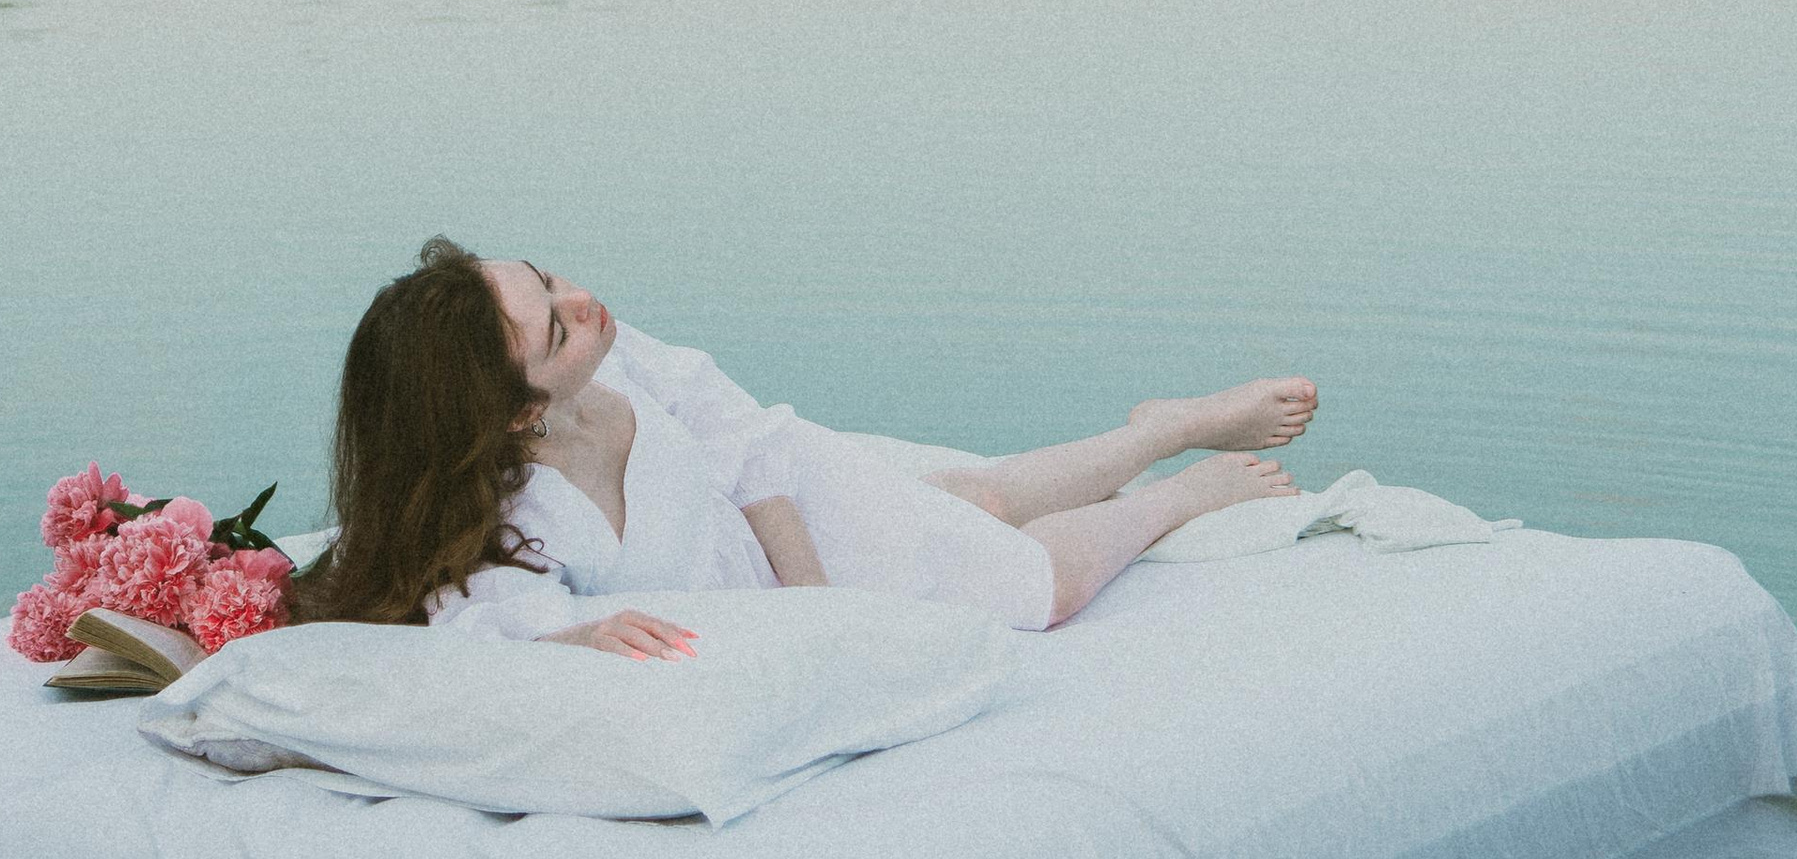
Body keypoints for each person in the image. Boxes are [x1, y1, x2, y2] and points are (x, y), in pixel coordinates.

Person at [293, 237, 1316, 659]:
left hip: (791, 525)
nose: (584, 303)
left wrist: (816, 601)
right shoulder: (515, 520)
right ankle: (1169, 465)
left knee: (1004, 535)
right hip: (772, 587)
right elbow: (479, 622)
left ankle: (1174, 447)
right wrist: (572, 641)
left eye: (549, 279)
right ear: (513, 413)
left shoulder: (620, 360)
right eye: (556, 326)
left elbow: (747, 446)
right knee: (995, 529)